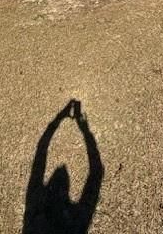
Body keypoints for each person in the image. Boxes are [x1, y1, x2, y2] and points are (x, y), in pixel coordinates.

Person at [22, 99, 104, 234]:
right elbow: (97, 173)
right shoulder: (33, 215)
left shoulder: (35, 213)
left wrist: (60, 119)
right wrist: (83, 128)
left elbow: (97, 173)